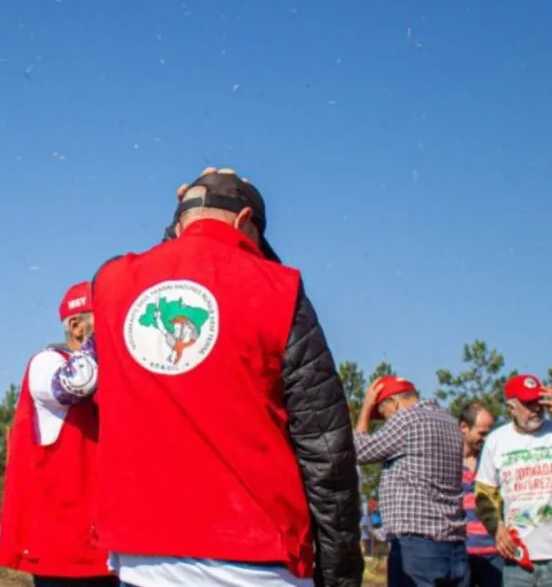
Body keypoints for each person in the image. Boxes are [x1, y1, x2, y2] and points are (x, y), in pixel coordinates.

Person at [52, 167, 363, 587]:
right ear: (246, 220)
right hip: (257, 559)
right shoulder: (280, 289)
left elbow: (177, 269)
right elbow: (325, 450)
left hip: (142, 560)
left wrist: (187, 214)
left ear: (179, 224)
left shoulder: (110, 283)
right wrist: (340, 575)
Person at [0, 280, 115, 587]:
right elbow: (76, 384)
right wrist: (109, 333)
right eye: (105, 317)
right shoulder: (46, 363)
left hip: (109, 548)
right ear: (76, 327)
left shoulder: (113, 375)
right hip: (64, 550)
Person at [473, 373, 552, 587]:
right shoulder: (496, 441)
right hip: (518, 557)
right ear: (511, 407)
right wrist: (497, 528)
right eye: (528, 403)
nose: (536, 409)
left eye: (538, 402)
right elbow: (484, 493)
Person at [353, 373, 467, 587]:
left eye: (384, 413)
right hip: (454, 544)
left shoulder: (406, 419)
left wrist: (366, 407)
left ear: (394, 403)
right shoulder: (450, 422)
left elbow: (359, 451)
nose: (387, 421)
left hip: (416, 547)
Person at [458, 403, 504, 587]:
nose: (486, 439)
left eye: (489, 433)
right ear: (464, 427)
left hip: (495, 552)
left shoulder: (493, 459)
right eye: (482, 433)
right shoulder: (447, 461)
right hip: (462, 553)